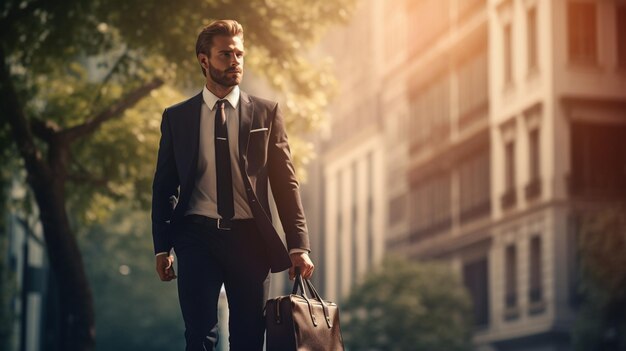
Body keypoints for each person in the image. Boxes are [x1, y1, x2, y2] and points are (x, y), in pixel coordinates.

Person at [150, 19, 314, 351]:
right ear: (204, 60)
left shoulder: (266, 114)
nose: (235, 61)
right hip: (196, 237)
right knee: (199, 337)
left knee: (250, 338)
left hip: (251, 239)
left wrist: (299, 244)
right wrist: (162, 246)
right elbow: (165, 186)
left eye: (239, 54)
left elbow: (285, 183)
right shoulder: (177, 118)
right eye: (226, 54)